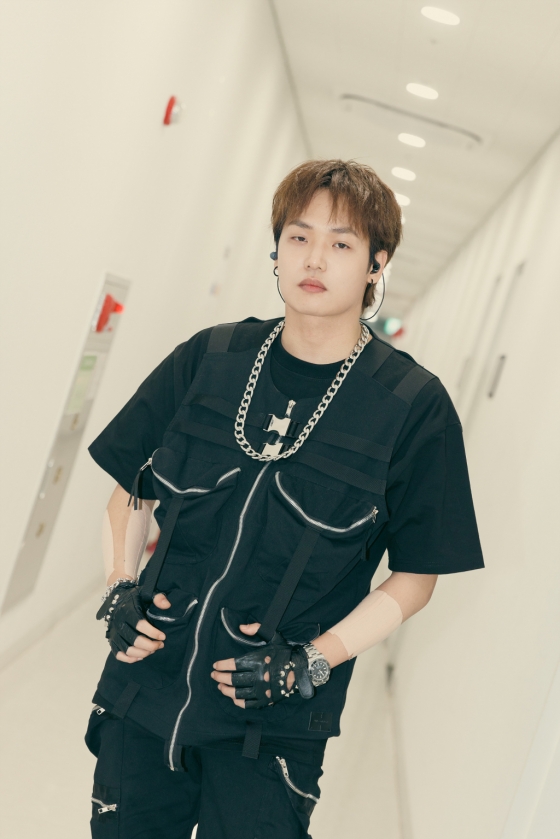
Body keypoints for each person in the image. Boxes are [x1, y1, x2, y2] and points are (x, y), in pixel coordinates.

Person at [85, 159, 484, 839]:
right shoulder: (210, 358)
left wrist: (312, 661)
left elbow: (417, 577)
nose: (314, 259)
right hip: (144, 692)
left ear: (377, 264)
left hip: (270, 729)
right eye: (299, 237)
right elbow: (131, 488)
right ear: (277, 250)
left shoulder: (411, 407)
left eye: (341, 243)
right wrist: (121, 585)